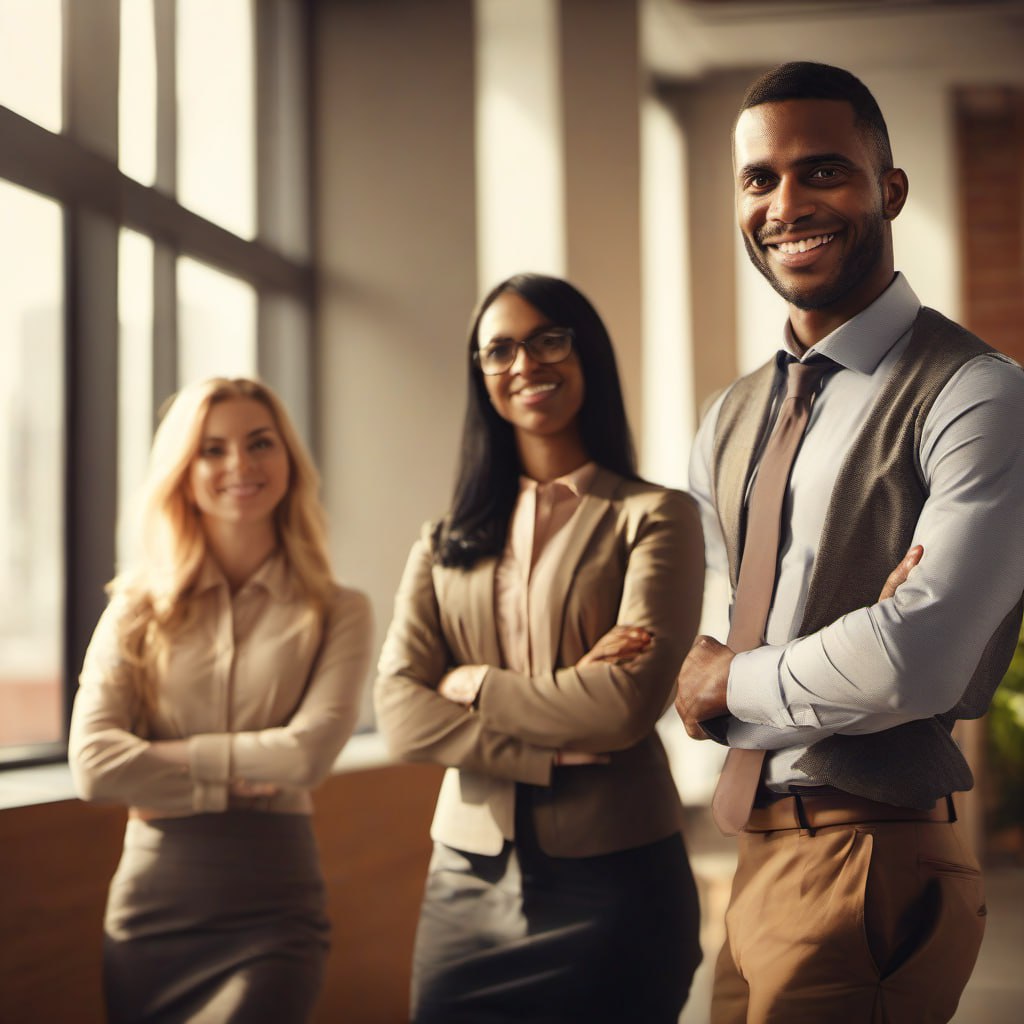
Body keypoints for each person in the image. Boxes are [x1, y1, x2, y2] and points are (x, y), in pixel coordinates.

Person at [675, 61, 1024, 1023]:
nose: (788, 203)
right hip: (753, 851)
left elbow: (913, 664)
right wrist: (839, 650)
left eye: (823, 171)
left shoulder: (977, 392)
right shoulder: (731, 415)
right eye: (760, 179)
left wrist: (736, 682)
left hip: (875, 845)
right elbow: (707, 630)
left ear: (889, 190)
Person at [375, 273, 705, 1023]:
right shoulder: (442, 542)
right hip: (465, 881)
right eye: (499, 350)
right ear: (480, 373)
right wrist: (552, 744)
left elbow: (624, 705)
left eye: (548, 339)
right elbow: (400, 714)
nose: (525, 364)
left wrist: (476, 685)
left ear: (585, 353)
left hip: (617, 877)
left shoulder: (655, 517)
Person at [69, 377, 373, 1023]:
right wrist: (243, 767)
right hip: (152, 911)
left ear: (288, 459)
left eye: (260, 442)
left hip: (275, 907)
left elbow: (307, 757)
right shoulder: (134, 608)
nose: (240, 464)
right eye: (212, 449)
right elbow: (93, 765)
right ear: (183, 470)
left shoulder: (340, 610)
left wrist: (161, 764)